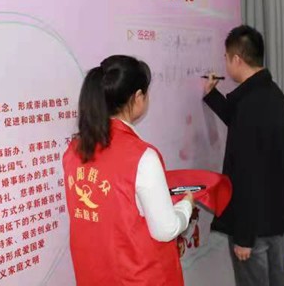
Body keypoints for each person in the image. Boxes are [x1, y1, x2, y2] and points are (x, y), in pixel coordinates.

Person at [63, 55, 194, 286]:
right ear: (138, 97)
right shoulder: (142, 156)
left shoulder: (74, 150)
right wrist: (186, 205)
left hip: (94, 276)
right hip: (139, 277)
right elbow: (166, 230)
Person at [203, 25, 284, 286]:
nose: (224, 62)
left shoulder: (251, 105)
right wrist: (213, 97)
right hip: (272, 219)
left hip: (252, 228)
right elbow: (241, 125)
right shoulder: (271, 95)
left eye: (225, 57)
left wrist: (243, 236)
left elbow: (248, 174)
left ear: (236, 59)